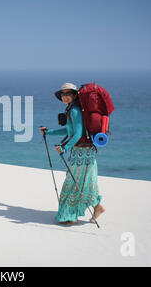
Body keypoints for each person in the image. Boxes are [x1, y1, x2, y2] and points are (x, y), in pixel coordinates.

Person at [40, 82, 105, 226]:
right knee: (82, 182)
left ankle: (71, 216)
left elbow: (78, 133)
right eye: (63, 94)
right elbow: (69, 131)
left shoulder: (74, 111)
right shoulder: (71, 110)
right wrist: (49, 132)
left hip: (83, 152)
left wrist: (64, 148)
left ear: (75, 95)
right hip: (81, 151)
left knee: (73, 183)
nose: (65, 96)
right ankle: (96, 207)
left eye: (68, 93)